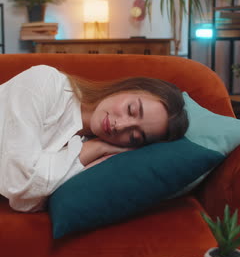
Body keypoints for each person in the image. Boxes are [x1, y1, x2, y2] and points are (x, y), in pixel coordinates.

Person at [0, 65, 188, 213]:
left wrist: (93, 150)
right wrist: (96, 147)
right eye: (131, 109)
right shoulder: (45, 82)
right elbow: (19, 187)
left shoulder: (93, 154)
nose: (120, 126)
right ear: (128, 88)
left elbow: (31, 203)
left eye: (134, 136)